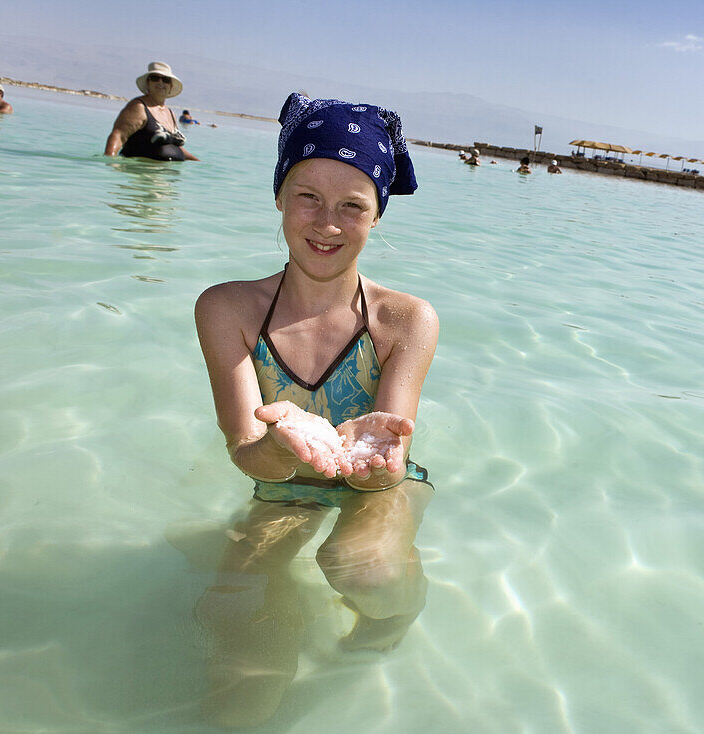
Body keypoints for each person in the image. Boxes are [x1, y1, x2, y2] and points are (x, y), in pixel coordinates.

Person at [193, 94, 437, 726]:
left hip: (376, 485)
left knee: (360, 568)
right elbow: (249, 453)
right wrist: (281, 448)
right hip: (283, 487)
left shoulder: (404, 320)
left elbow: (388, 467)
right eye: (308, 196)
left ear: (378, 215)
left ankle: (397, 615)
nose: (327, 222)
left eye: (352, 204)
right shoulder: (227, 310)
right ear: (278, 195)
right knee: (232, 614)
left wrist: (366, 453)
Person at [103, 62, 198, 161]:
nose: (160, 82)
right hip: (141, 172)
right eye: (155, 78)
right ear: (148, 83)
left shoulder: (170, 113)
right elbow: (118, 136)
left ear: (170, 87)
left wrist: (198, 162)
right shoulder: (138, 107)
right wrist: (110, 162)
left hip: (165, 173)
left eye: (165, 80)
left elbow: (172, 145)